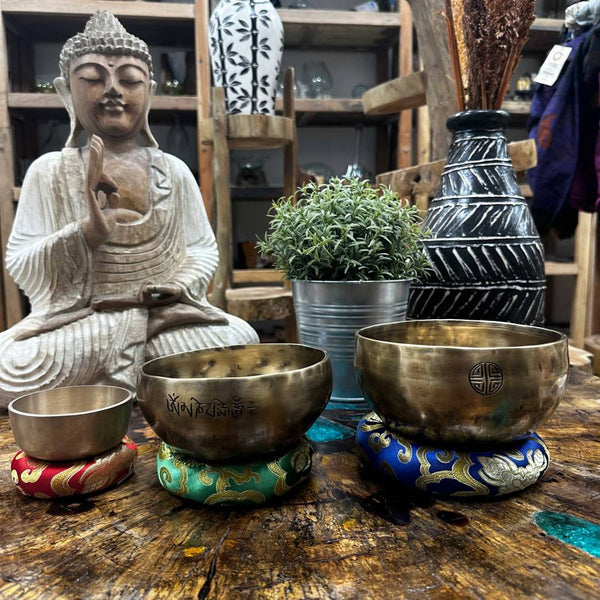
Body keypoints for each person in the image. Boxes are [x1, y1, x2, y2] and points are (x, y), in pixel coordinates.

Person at [0, 11, 258, 406]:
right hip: (83, 325)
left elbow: (202, 251)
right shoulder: (49, 171)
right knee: (8, 362)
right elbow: (21, 261)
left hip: (164, 320)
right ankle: (150, 380)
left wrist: (175, 287)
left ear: (149, 92)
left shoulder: (174, 171)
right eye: (92, 79)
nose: (113, 90)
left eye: (129, 80)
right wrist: (85, 233)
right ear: (66, 92)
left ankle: (109, 384)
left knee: (238, 337)